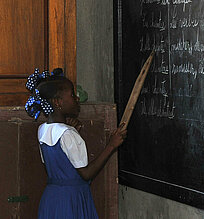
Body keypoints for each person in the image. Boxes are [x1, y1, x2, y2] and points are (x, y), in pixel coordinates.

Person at [25, 68, 127, 219]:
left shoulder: (42, 130)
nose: (77, 98)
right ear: (58, 102)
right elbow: (86, 173)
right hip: (72, 199)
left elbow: (58, 162)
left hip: (52, 199)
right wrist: (111, 145)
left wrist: (70, 129)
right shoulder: (68, 134)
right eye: (72, 95)